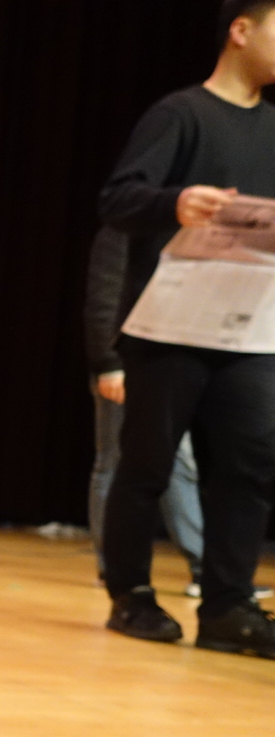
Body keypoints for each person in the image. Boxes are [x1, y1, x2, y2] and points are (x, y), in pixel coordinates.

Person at [98, 0, 275, 659]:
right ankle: (132, 594)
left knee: (246, 468)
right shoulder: (180, 114)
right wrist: (174, 201)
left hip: (250, 330)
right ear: (241, 30)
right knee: (147, 464)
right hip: (170, 326)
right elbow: (117, 199)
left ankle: (228, 605)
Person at [84, 225, 206, 592]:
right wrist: (108, 363)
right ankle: (112, 566)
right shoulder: (125, 227)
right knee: (115, 461)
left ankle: (203, 565)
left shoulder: (194, 231)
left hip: (171, 361)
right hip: (127, 360)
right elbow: (103, 296)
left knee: (179, 461)